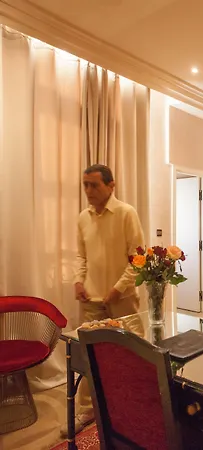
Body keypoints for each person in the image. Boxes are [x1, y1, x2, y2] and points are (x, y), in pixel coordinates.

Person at [61, 164, 145, 436]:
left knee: (132, 354)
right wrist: (78, 280)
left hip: (122, 300)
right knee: (89, 356)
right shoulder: (82, 217)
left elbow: (138, 258)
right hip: (92, 301)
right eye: (85, 185)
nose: (88, 190)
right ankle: (87, 409)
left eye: (94, 185)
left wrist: (118, 289)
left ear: (111, 185)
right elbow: (81, 256)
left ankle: (133, 404)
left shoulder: (126, 213)